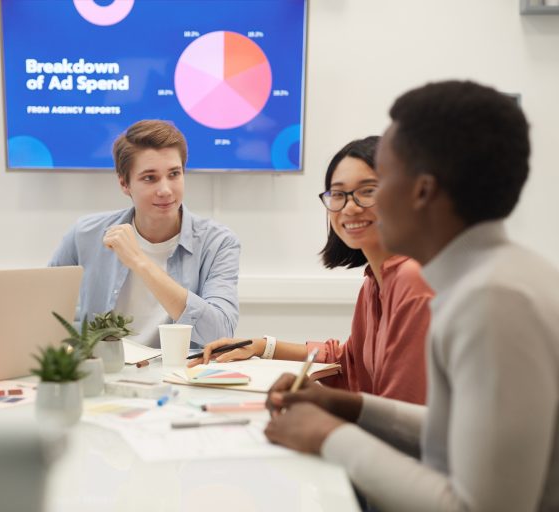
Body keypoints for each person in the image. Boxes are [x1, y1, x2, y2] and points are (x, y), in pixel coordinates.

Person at [264, 80, 559, 511]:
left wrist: (329, 434)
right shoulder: (493, 278)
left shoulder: (493, 301)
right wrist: (348, 406)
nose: (358, 206)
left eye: (379, 183)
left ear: (421, 191)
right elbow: (454, 431)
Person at [189, 137, 433, 404]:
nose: (349, 207)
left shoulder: (414, 278)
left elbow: (402, 411)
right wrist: (261, 346)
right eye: (338, 194)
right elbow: (347, 362)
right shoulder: (374, 283)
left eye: (367, 191)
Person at [49, 120, 240, 347]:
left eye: (174, 174)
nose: (165, 190)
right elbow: (43, 311)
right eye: (150, 178)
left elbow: (219, 335)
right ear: (124, 184)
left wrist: (140, 262)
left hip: (180, 376)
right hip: (103, 374)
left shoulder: (218, 243)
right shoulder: (85, 234)